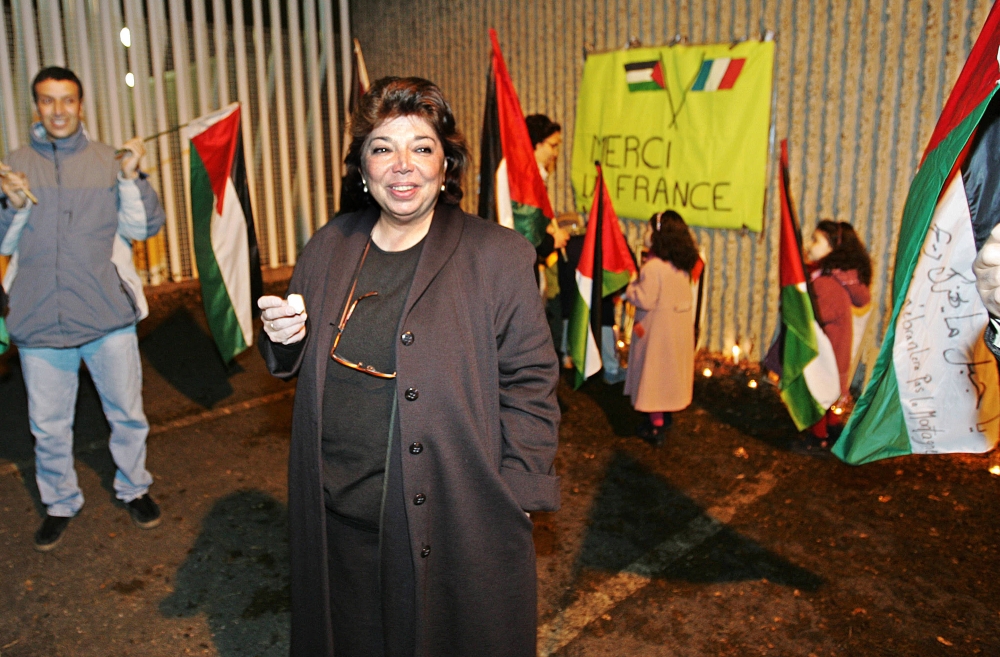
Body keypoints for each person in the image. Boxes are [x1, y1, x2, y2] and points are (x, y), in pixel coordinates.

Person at [258, 77, 560, 657]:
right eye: (381, 147)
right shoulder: (329, 245)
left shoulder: (496, 257)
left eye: (420, 147)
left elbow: (530, 383)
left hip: (445, 511)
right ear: (362, 168)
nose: (402, 166)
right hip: (335, 517)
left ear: (445, 164)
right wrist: (284, 340)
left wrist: (518, 490)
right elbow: (291, 353)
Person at [0, 66, 166, 552]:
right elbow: (2, 240)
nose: (57, 110)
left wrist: (133, 175)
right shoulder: (14, 163)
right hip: (37, 320)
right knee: (48, 425)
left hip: (104, 314)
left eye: (66, 100)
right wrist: (11, 203)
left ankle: (134, 487)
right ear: (37, 106)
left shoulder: (107, 159)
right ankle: (59, 502)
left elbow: (144, 227)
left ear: (80, 104)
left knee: (127, 413)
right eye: (47, 101)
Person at [623, 211, 699, 445]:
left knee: (654, 377)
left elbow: (645, 299)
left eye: (648, 229)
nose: (645, 234)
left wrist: (629, 289)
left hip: (655, 334)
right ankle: (664, 416)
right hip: (675, 332)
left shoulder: (653, 267)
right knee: (669, 375)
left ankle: (655, 425)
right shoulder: (681, 264)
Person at [804, 220, 872, 440]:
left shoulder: (826, 282)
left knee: (818, 391)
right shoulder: (834, 278)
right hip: (834, 349)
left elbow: (818, 315)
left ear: (833, 249)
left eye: (816, 240)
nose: (809, 245)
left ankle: (818, 438)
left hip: (826, 352)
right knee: (828, 390)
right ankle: (831, 427)